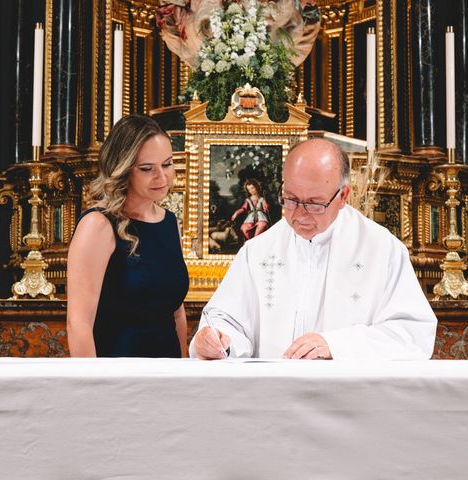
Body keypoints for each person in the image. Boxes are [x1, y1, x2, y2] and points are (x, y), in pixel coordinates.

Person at [190, 138, 437, 360]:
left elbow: (413, 334)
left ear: (343, 196)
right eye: (290, 199)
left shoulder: (382, 249)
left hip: (348, 400)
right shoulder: (258, 250)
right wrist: (216, 339)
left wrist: (335, 345)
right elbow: (227, 320)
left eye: (314, 204)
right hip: (271, 397)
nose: (299, 214)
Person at [67, 114, 189, 357]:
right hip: (118, 380)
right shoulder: (97, 225)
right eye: (147, 169)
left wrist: (185, 369)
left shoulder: (169, 222)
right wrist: (91, 390)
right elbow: (78, 324)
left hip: (170, 377)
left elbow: (176, 312)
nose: (162, 177)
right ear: (122, 169)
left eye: (167, 164)